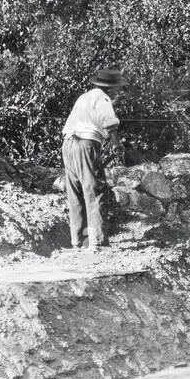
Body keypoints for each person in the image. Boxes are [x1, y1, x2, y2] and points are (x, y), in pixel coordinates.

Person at [61, 67, 126, 252]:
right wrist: (116, 145)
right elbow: (109, 122)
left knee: (75, 193)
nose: (118, 92)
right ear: (110, 88)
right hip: (85, 145)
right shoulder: (103, 98)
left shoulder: (84, 97)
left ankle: (78, 242)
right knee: (94, 190)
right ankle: (97, 242)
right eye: (117, 89)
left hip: (68, 144)